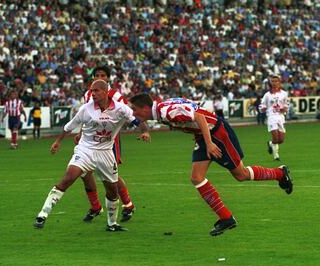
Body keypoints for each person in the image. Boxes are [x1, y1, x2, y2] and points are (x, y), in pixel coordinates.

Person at [129, 93, 293, 236]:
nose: (134, 113)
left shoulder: (166, 112)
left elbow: (199, 117)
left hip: (216, 134)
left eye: (135, 110)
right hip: (203, 135)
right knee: (196, 177)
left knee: (241, 175)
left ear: (144, 108)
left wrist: (209, 143)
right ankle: (226, 217)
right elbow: (194, 110)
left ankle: (280, 173)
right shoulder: (163, 108)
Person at [33, 79, 147, 232]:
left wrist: (145, 132)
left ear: (105, 92)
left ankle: (112, 224)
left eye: (96, 91)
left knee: (112, 190)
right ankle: (42, 215)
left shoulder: (120, 109)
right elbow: (69, 126)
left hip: (106, 153)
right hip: (85, 150)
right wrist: (57, 142)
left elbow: (138, 121)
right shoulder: (86, 109)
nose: (92, 94)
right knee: (69, 177)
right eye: (91, 91)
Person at [77, 66, 150, 223]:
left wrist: (143, 130)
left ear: (109, 78)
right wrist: (80, 133)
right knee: (84, 172)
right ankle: (96, 207)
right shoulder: (88, 94)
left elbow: (129, 114)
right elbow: (86, 116)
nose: (100, 77)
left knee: (111, 177)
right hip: (89, 141)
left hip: (108, 140)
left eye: (103, 75)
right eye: (97, 75)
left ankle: (128, 205)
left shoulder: (116, 95)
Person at [259, 74, 289, 161]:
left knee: (281, 140)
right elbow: (261, 105)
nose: (274, 83)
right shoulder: (267, 95)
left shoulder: (284, 93)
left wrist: (285, 109)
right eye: (273, 81)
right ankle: (276, 156)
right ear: (270, 83)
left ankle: (270, 143)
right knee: (275, 137)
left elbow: (287, 104)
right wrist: (263, 109)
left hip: (280, 117)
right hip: (271, 117)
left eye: (276, 81)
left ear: (279, 82)